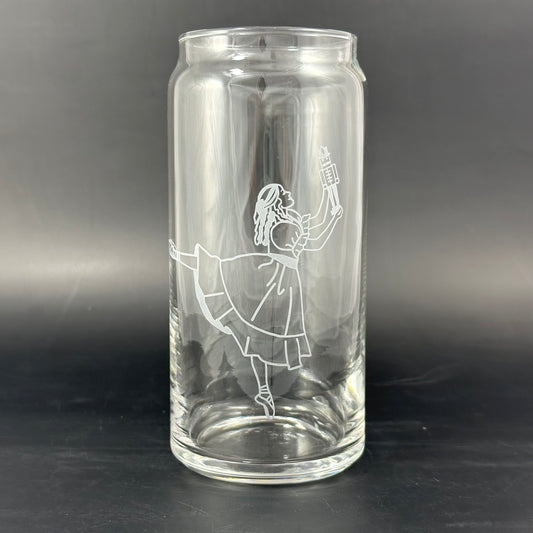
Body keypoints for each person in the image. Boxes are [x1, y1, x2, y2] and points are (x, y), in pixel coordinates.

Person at [170, 181, 342, 417]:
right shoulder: (285, 224)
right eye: (283, 194)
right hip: (277, 281)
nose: (288, 195)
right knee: (258, 335)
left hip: (277, 278)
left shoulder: (284, 221)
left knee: (258, 340)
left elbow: (313, 232)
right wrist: (331, 205)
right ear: (277, 202)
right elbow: (315, 235)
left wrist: (331, 201)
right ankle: (267, 391)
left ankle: (266, 390)